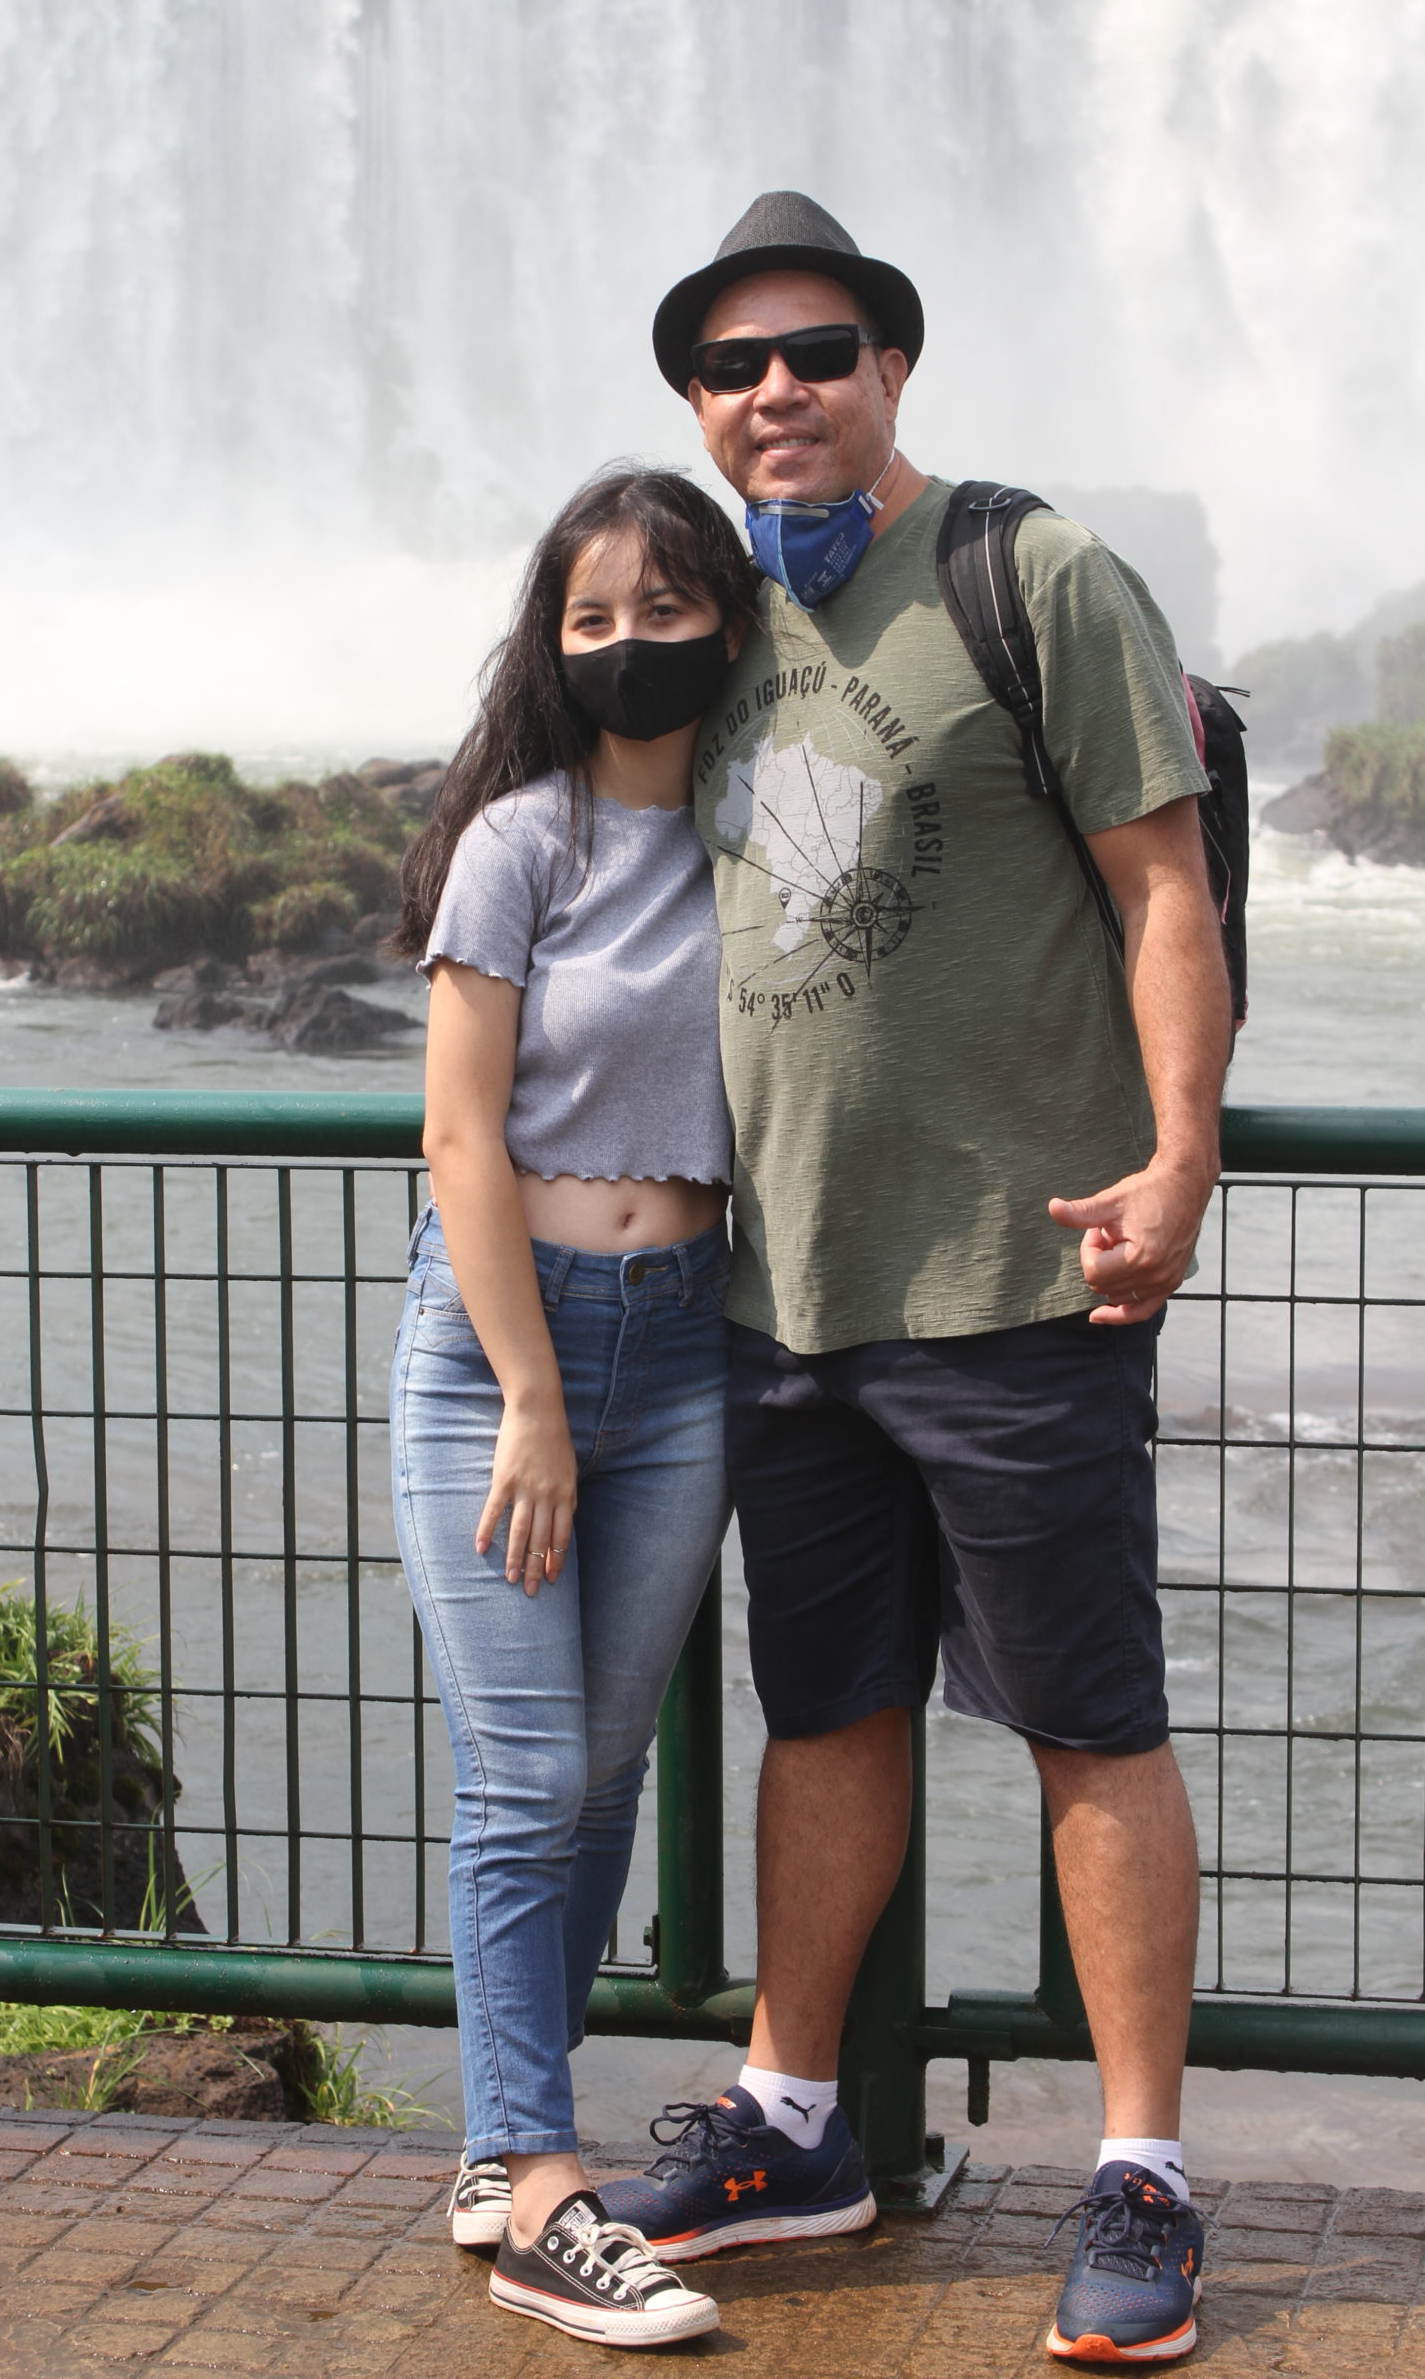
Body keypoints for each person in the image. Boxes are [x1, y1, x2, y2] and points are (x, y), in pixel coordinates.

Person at [596, 195, 1230, 2369]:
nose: (775, 388)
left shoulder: (1027, 572)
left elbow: (1157, 887)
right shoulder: (698, 617)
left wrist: (1179, 1150)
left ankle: (1136, 2162)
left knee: (1085, 1716)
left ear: (889, 365)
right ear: (695, 400)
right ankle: (795, 2115)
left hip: (1012, 1282)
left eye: (818, 348)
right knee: (825, 1705)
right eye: (731, 364)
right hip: (781, 1293)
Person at [388, 466, 775, 2349]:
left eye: (667, 609)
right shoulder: (517, 842)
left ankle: (492, 2140)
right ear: (553, 642)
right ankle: (548, 2191)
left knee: (593, 1778)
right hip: (498, 1348)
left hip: (689, 1338)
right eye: (593, 616)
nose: (632, 644)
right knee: (532, 1773)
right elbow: (459, 1131)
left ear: (729, 620)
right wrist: (532, 1390)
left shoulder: (767, 830)